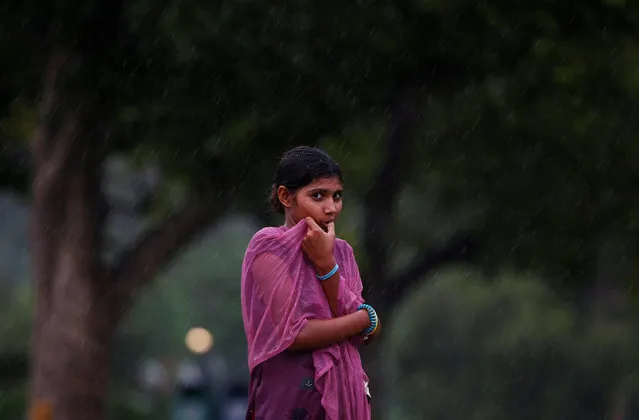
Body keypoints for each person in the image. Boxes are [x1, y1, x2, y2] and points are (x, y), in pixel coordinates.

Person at [241, 146, 381, 420]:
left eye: (337, 196)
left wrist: (326, 263)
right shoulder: (269, 247)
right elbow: (295, 335)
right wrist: (366, 318)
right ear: (285, 196)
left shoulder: (342, 253)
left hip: (344, 393)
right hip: (293, 398)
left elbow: (365, 335)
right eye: (318, 196)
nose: (331, 208)